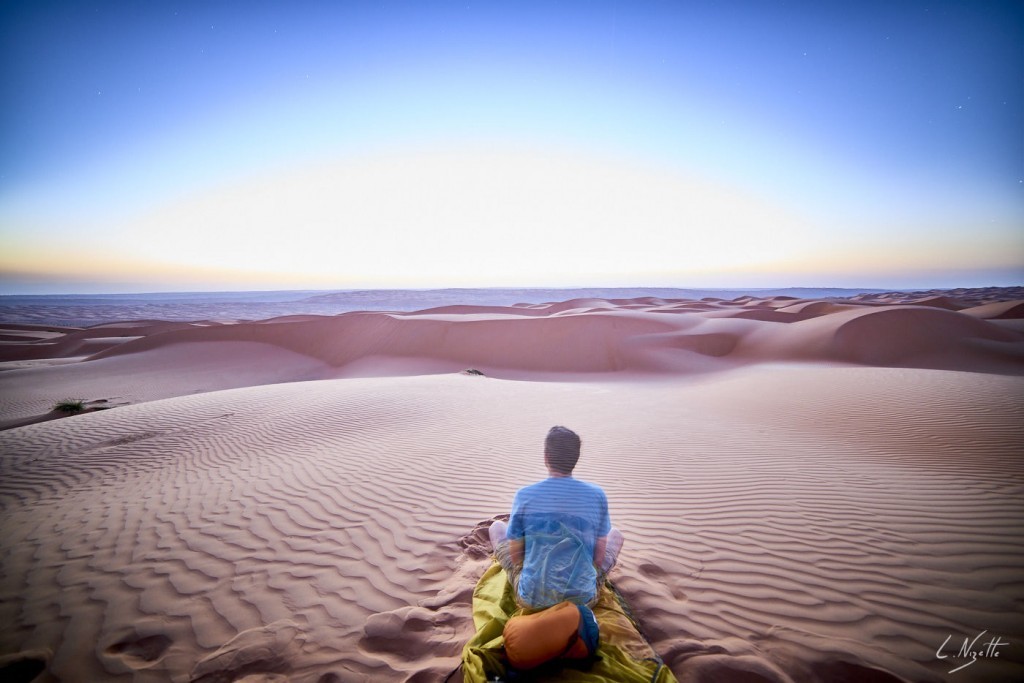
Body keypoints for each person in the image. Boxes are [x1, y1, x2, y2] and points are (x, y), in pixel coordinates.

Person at [489, 426, 623, 609]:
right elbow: (598, 559)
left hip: (531, 599)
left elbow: (516, 557)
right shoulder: (596, 495)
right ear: (575, 459)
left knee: (496, 527)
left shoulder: (524, 495)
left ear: (546, 457)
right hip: (583, 600)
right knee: (616, 534)